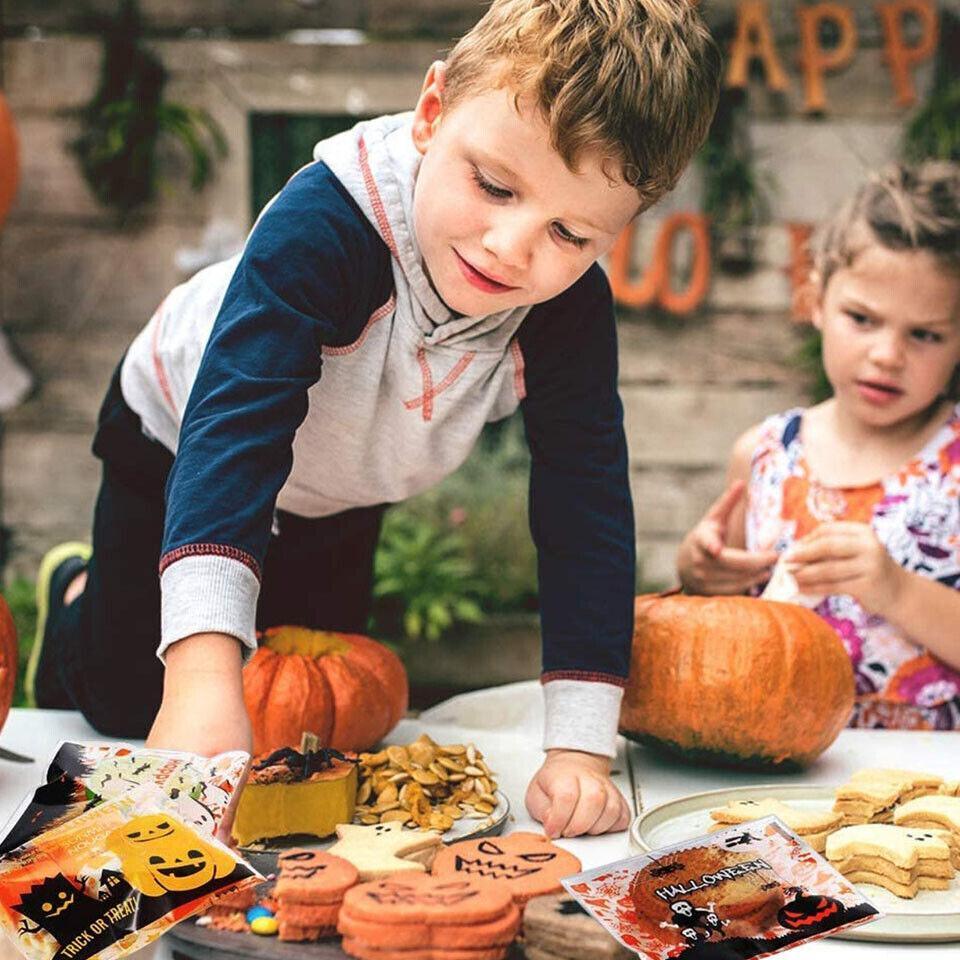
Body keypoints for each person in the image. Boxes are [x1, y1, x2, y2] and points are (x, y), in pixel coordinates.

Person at [28, 0, 721, 837]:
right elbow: (238, 434)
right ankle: (79, 588)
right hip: (182, 438)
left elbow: (587, 506)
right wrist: (203, 674)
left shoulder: (567, 310)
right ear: (432, 112)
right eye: (494, 185)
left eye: (571, 233)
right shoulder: (325, 228)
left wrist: (579, 748)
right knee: (134, 701)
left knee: (319, 724)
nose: (511, 246)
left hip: (348, 479)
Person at [677, 161, 960, 730]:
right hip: (779, 761)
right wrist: (699, 578)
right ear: (815, 300)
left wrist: (896, 589)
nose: (887, 354)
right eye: (862, 319)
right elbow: (728, 633)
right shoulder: (764, 455)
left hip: (933, 783)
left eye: (925, 334)